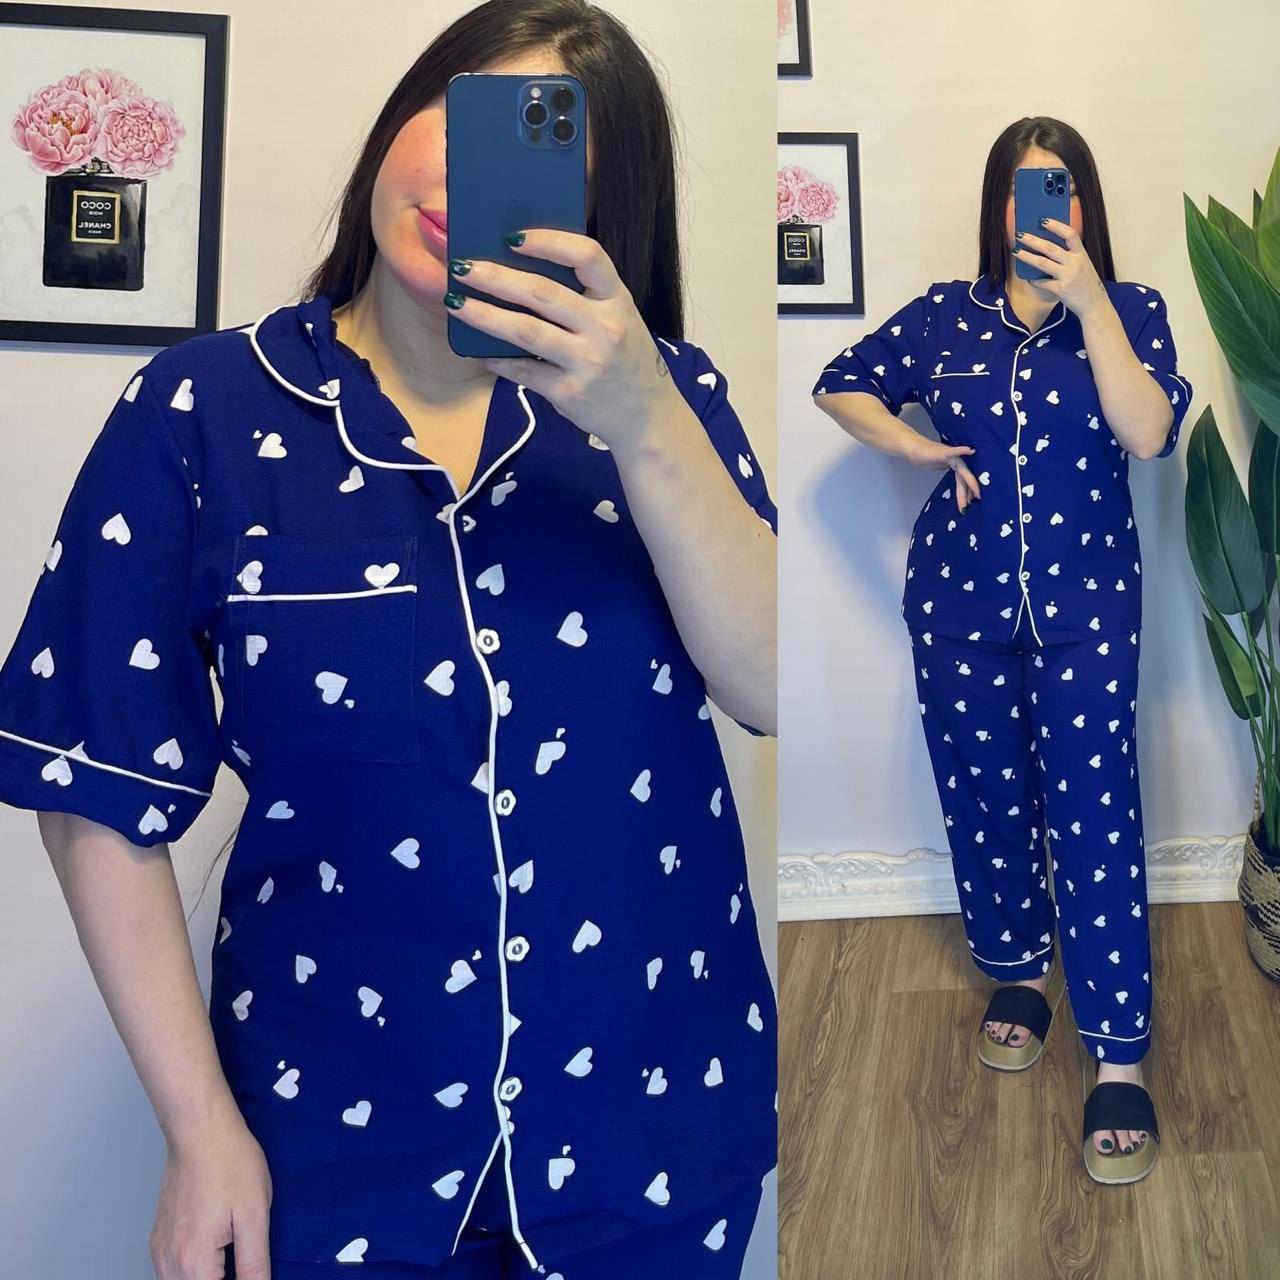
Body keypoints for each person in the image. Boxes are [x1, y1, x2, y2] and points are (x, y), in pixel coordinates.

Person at [0, 2, 777, 1274]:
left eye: (534, 156)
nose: (469, 183)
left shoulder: (667, 403)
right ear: (395, 121)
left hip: (654, 1122)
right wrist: (200, 1132)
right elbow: (92, 781)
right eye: (459, 117)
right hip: (331, 1144)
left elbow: (768, 682)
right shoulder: (199, 413)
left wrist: (643, 422)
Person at [811, 116, 1191, 1186]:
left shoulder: (1132, 313)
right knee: (985, 795)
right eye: (1025, 189)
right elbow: (838, 380)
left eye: (1061, 187)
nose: (1044, 209)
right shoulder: (944, 315)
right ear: (997, 207)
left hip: (1087, 610)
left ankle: (1117, 1053)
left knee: (1093, 809)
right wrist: (912, 445)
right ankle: (1018, 973)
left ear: (1085, 205)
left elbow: (1148, 432)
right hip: (957, 603)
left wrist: (1090, 304)